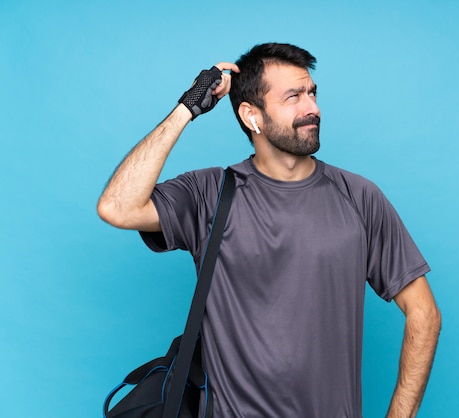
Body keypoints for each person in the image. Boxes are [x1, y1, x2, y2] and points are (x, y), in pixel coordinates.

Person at [98, 42, 441, 418]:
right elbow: (118, 207)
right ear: (252, 116)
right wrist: (187, 108)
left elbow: (424, 313)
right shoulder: (209, 193)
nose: (312, 108)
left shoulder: (359, 197)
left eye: (312, 93)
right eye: (292, 97)